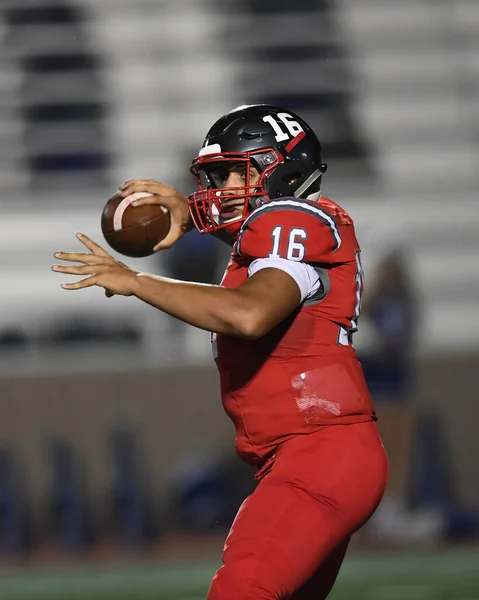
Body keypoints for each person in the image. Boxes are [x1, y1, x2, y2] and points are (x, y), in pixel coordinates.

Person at [52, 104, 388, 599]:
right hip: (313, 452)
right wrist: (189, 215)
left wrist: (136, 281)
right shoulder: (283, 225)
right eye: (217, 175)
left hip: (319, 453)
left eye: (236, 171)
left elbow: (248, 314)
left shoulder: (291, 217)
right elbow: (261, 256)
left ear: (284, 167)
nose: (223, 187)